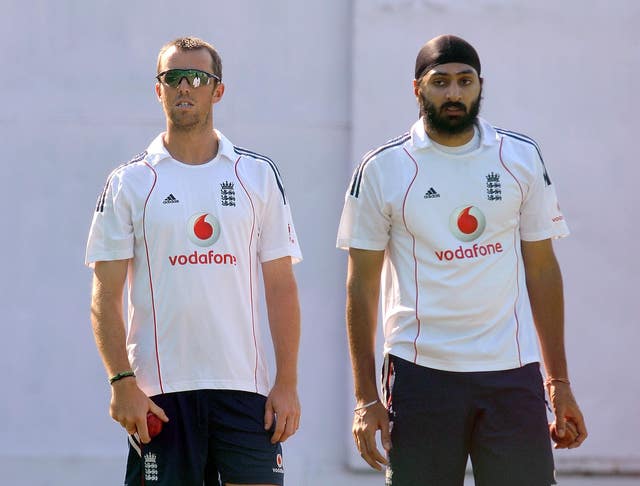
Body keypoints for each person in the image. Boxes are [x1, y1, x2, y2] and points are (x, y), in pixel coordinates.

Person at [337, 34, 587, 486]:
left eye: (464, 81)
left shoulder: (520, 157)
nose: (454, 93)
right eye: (441, 82)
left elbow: (543, 269)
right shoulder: (382, 168)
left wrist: (559, 384)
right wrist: (365, 398)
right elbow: (361, 286)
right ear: (417, 89)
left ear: (479, 85)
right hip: (420, 375)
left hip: (511, 372)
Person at [86, 36, 302, 486]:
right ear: (158, 89)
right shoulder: (128, 182)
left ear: (217, 90)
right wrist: (121, 381)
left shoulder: (256, 175)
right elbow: (106, 295)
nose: (185, 87)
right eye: (173, 78)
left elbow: (281, 286)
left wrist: (286, 383)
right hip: (160, 396)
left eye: (197, 78)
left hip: (245, 392)